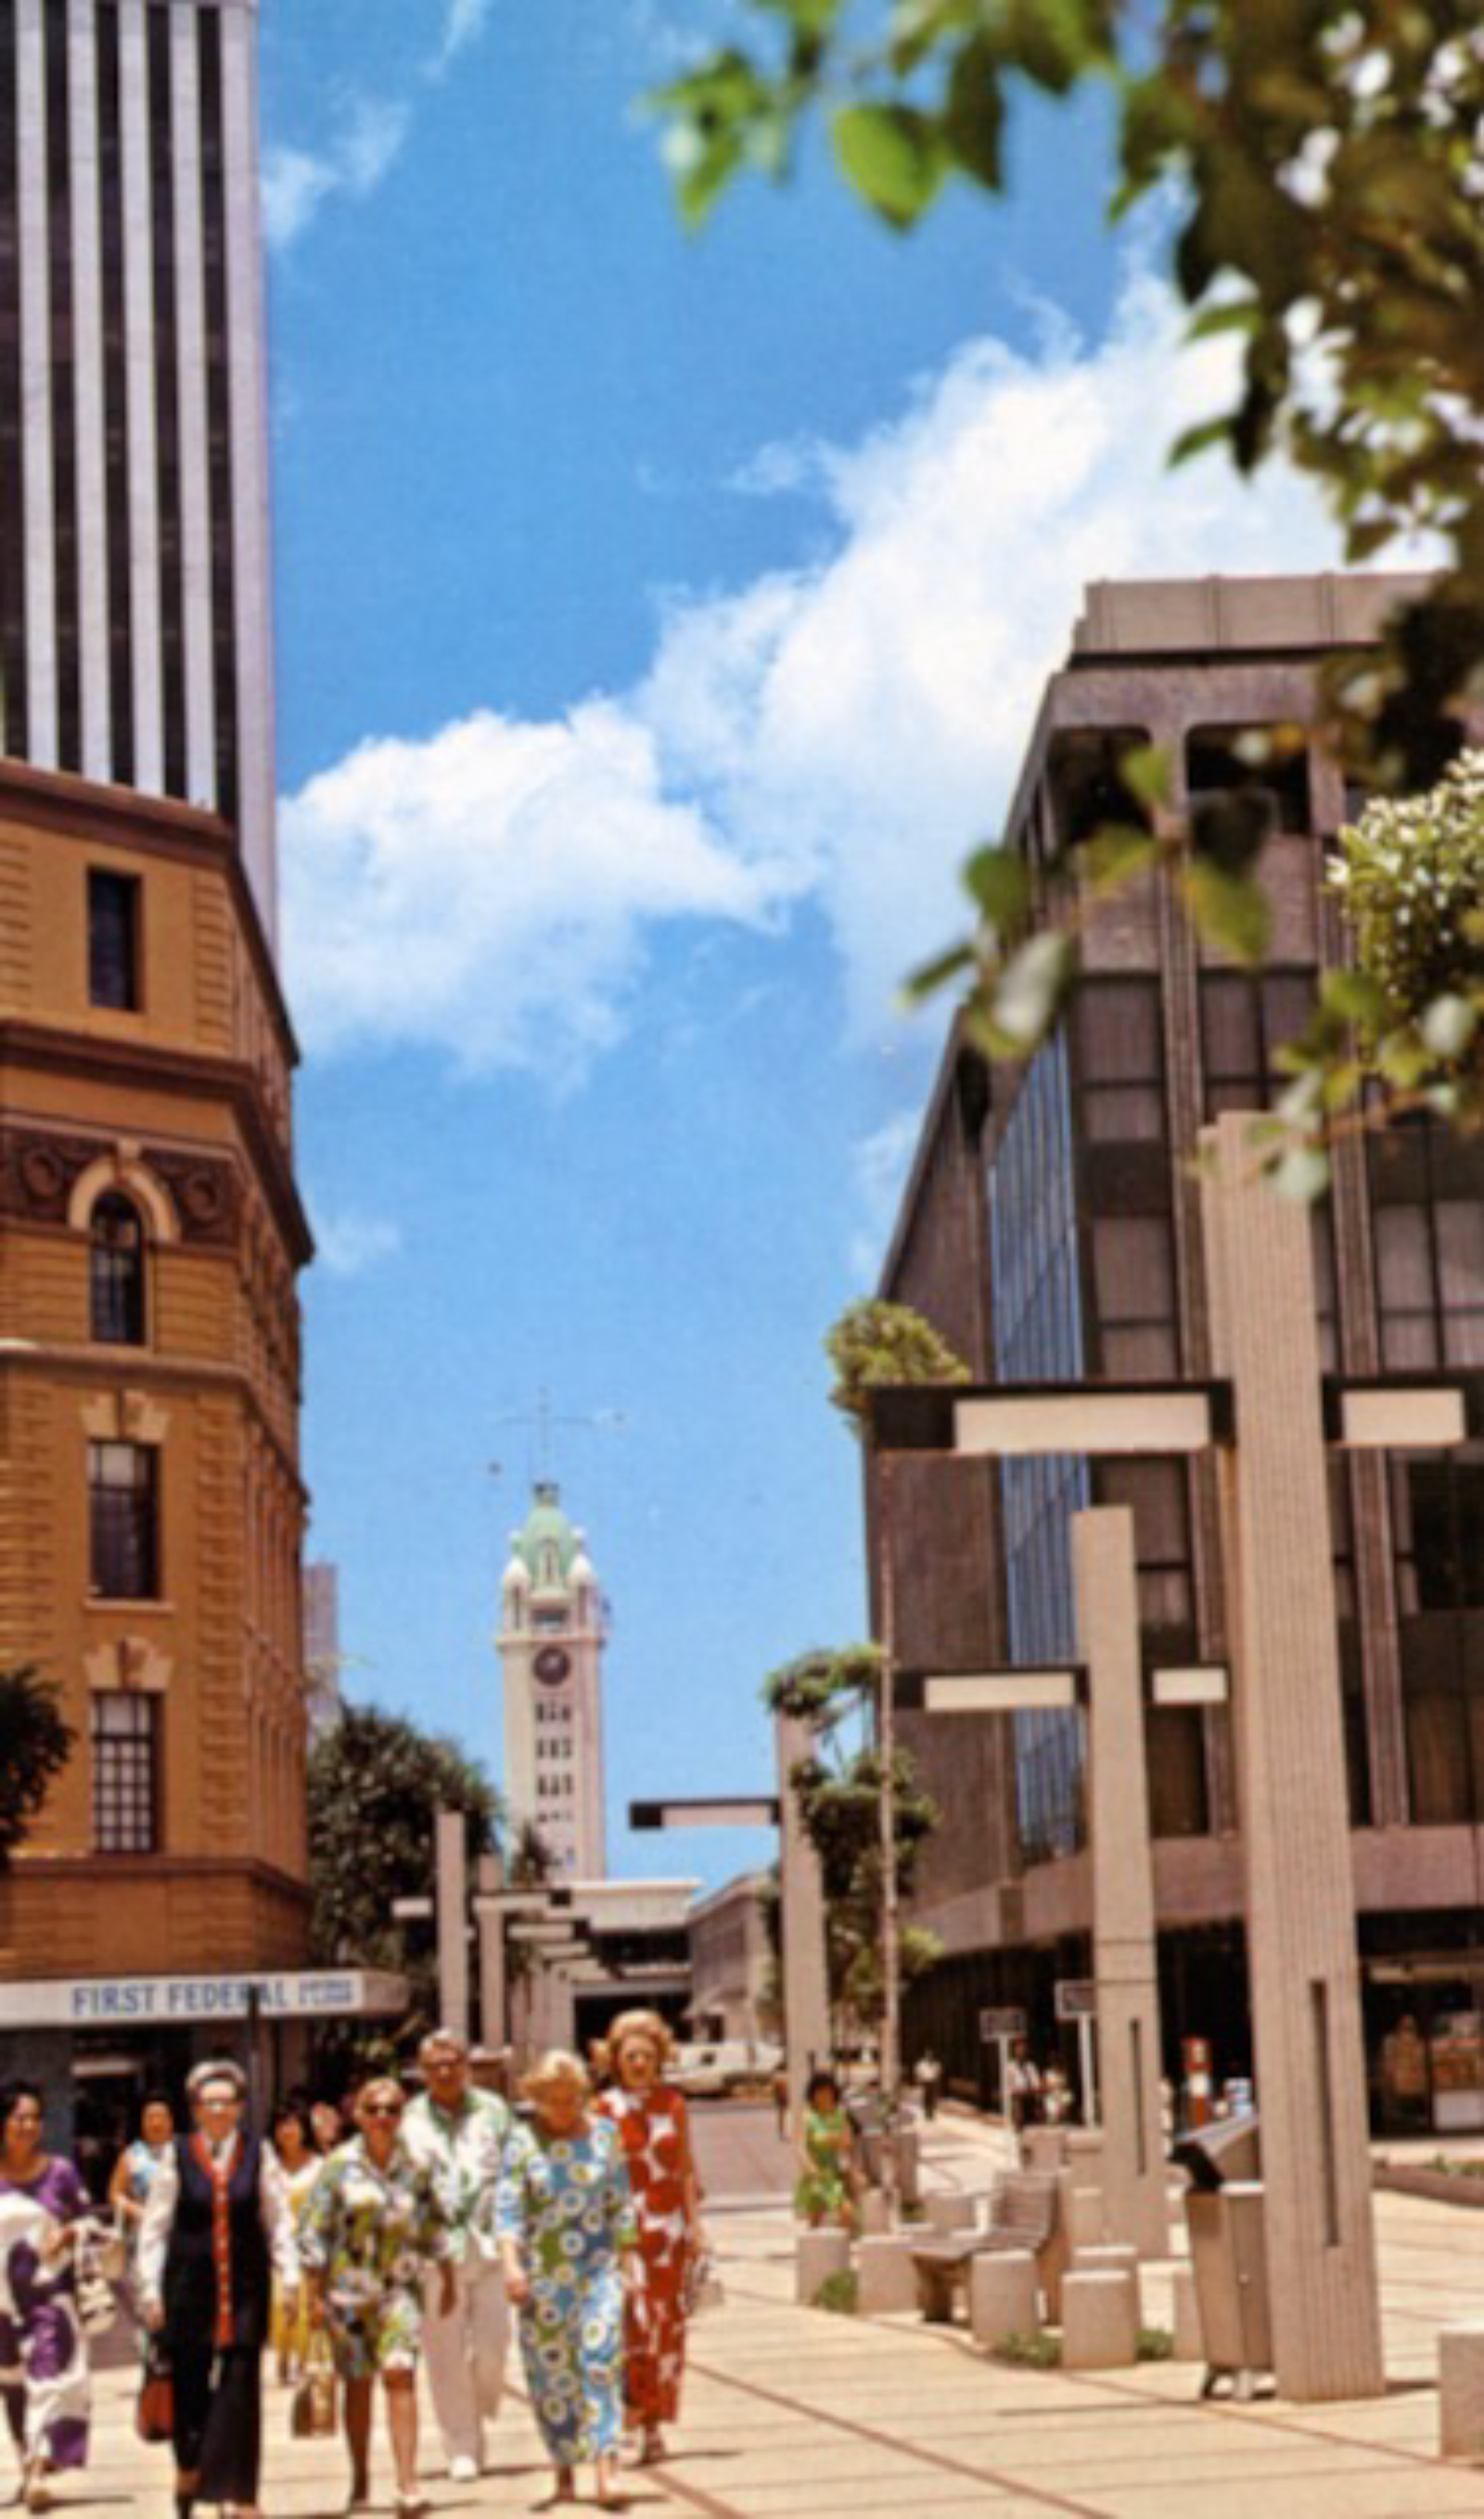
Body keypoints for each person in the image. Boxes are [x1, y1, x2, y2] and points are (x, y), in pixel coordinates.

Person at [136, 2059, 299, 2519]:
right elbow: (155, 2227)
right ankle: (189, 2469)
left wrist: (289, 2277)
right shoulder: (178, 2154)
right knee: (190, 2386)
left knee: (242, 2386)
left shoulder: (258, 2152)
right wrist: (149, 2289)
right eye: (210, 2104)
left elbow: (278, 2218)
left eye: (228, 2103)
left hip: (245, 2289)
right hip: (189, 2291)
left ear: (241, 2108)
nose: (220, 2111)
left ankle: (240, 2495)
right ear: (195, 2110)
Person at [299, 2078, 454, 2518]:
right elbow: (313, 2232)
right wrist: (313, 2297)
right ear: (359, 2116)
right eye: (374, 2110)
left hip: (399, 2288)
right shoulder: (338, 2167)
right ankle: (361, 2479)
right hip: (348, 2293)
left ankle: (408, 2482)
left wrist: (448, 2278)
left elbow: (434, 2223)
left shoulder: (417, 2165)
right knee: (359, 2385)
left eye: (392, 2110)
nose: (383, 2118)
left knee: (400, 2373)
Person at [495, 2052, 636, 2511]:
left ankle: (606, 2468)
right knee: (553, 2377)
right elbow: (508, 2210)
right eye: (551, 2101)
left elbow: (621, 2202)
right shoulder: (521, 2141)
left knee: (601, 2361)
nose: (561, 2109)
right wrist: (512, 2267)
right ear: (535, 2099)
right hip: (542, 2277)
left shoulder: (605, 2135)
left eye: (570, 2099)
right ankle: (563, 2470)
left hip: (597, 2270)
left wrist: (629, 2267)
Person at [400, 2027, 512, 2482]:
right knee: (444, 2355)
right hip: (435, 2253)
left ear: (466, 2065)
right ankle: (461, 2445)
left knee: (493, 2347)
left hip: (488, 2246)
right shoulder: (409, 2118)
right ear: (422, 2071)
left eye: (452, 2062)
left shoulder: (494, 2111)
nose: (444, 2072)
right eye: (434, 2066)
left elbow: (515, 2170)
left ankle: (482, 2400)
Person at [594, 2011, 701, 2467]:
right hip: (623, 2231)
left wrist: (697, 2228)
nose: (639, 2063)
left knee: (666, 2329)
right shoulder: (603, 2108)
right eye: (630, 2056)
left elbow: (686, 2168)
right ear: (615, 2061)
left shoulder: (674, 2103)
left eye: (647, 2056)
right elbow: (595, 2174)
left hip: (668, 2229)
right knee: (630, 2326)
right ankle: (632, 2419)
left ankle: (655, 2425)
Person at [0, 2080, 94, 2513]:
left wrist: (69, 2232)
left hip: (49, 2299)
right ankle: (26, 2460)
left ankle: (39, 2467)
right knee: (13, 2386)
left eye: (35, 2117)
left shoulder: (60, 2172)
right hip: (3, 2301)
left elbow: (90, 2222)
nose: (28, 2126)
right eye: (20, 2116)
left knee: (47, 2378)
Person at [267, 2103, 322, 2385]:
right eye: (282, 2125)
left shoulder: (318, 2165)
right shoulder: (267, 2165)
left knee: (304, 2305)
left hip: (310, 2245)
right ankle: (282, 2356)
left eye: (293, 2124)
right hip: (277, 2247)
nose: (287, 2131)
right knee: (279, 2304)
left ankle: (302, 2361)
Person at [109, 2092, 175, 2274]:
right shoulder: (132, 2155)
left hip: (177, 2235)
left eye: (161, 2117)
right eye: (150, 2117)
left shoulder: (184, 2152)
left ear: (171, 2121)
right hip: (143, 2236)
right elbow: (115, 2193)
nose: (156, 2123)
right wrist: (135, 2210)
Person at [793, 2069, 858, 2231]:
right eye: (819, 2093)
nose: (823, 2097)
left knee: (846, 2212)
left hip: (835, 2173)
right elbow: (800, 2145)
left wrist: (839, 2143)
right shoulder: (808, 2117)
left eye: (827, 2092)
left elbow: (848, 2143)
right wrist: (808, 2166)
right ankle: (819, 2251)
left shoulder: (840, 2116)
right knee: (815, 2220)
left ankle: (840, 2248)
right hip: (816, 2175)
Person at [914, 2051, 943, 2122]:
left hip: (933, 2082)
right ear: (925, 2056)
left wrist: (937, 2081)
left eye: (931, 2055)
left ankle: (931, 2113)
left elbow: (939, 2073)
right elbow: (917, 2072)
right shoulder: (921, 2064)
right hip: (925, 2082)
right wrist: (919, 2080)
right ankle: (926, 2113)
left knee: (932, 2099)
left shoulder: (936, 2064)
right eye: (928, 2055)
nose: (929, 2057)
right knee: (926, 2098)